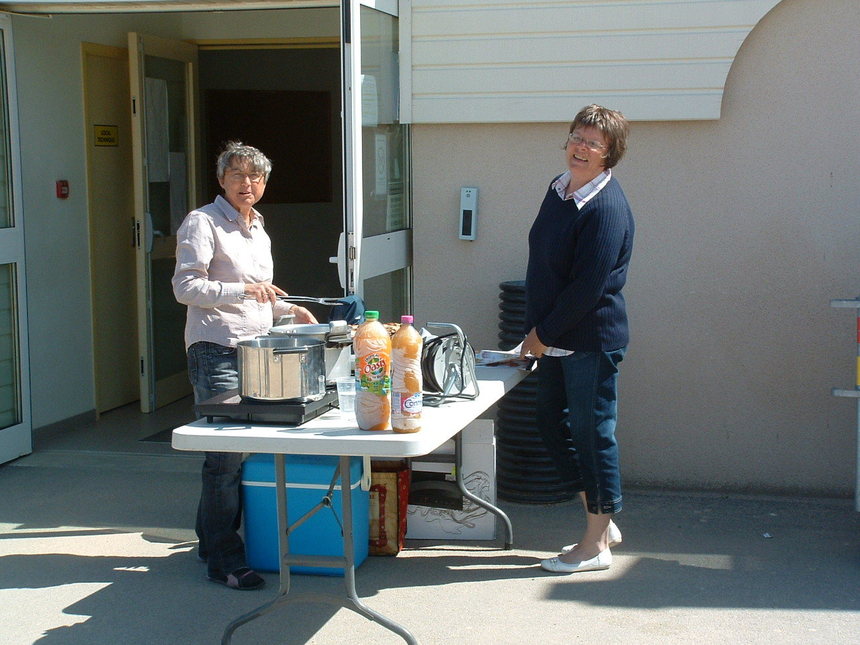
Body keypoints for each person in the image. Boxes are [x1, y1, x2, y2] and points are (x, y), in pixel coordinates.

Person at [172, 141, 317, 590]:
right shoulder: (203, 221)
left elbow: (259, 298)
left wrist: (290, 312)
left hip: (254, 349)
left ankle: (209, 543)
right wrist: (242, 292)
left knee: (232, 454)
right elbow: (186, 287)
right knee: (225, 458)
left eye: (255, 177)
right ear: (221, 180)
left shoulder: (259, 229)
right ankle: (225, 561)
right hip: (215, 348)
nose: (247, 184)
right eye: (237, 175)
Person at [520, 105, 634, 574]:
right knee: (551, 425)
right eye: (576, 137)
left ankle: (594, 545)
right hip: (552, 337)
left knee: (592, 436)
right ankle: (602, 517)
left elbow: (588, 287)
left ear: (611, 155)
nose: (581, 148)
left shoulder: (606, 207)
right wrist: (539, 332)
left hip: (589, 339)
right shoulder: (559, 188)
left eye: (594, 143)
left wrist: (541, 334)